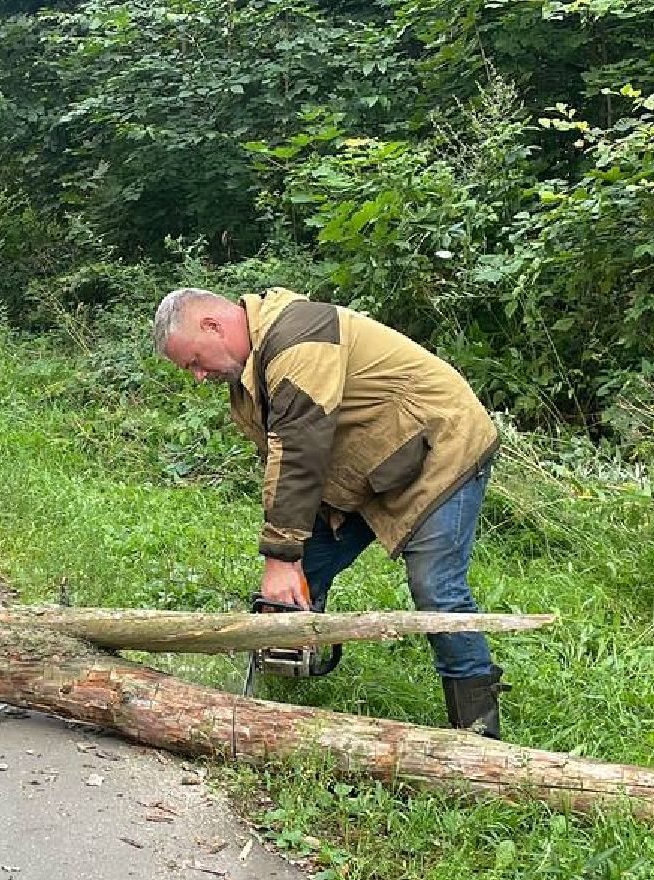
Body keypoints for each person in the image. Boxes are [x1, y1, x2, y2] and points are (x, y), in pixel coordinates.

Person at [153, 287, 509, 738]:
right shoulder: (250, 377)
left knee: (436, 587)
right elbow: (285, 464)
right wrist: (292, 555)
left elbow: (299, 451)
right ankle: (273, 699)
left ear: (213, 325)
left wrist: (280, 556)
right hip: (371, 464)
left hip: (440, 447)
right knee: (300, 577)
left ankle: (478, 729)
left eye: (195, 362)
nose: (199, 376)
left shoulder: (300, 339)